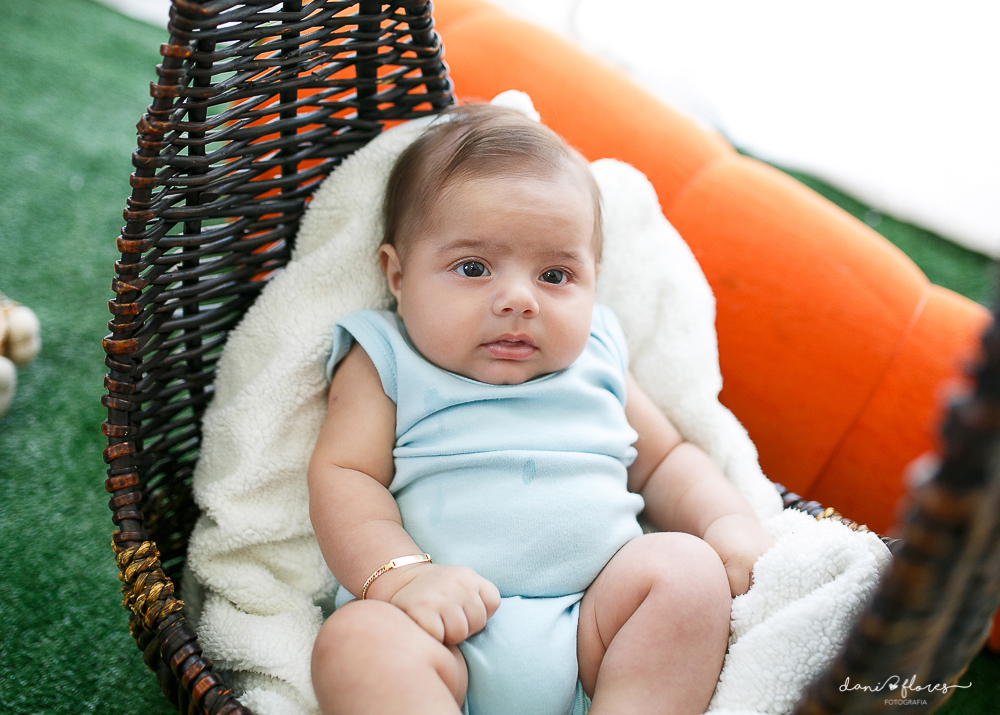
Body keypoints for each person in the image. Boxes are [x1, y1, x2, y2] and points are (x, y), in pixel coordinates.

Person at [307, 104, 774, 715]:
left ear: (594, 280)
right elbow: (345, 475)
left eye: (555, 275)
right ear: (398, 276)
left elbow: (665, 463)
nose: (519, 300)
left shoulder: (598, 353)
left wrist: (726, 523)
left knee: (688, 571)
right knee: (354, 643)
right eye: (473, 267)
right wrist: (401, 577)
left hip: (594, 631)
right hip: (434, 632)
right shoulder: (386, 356)